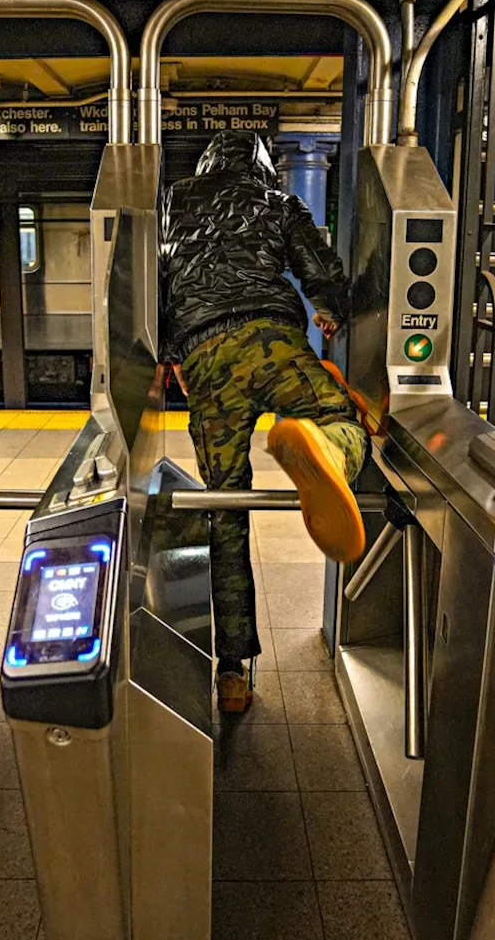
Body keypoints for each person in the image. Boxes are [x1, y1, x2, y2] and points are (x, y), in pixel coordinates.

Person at [160, 130, 369, 714]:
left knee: (224, 507)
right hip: (271, 341)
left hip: (203, 359)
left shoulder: (172, 203)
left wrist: (172, 354)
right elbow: (320, 272)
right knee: (338, 414)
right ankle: (325, 450)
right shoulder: (277, 201)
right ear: (260, 166)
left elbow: (151, 286)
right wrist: (330, 311)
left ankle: (231, 673)